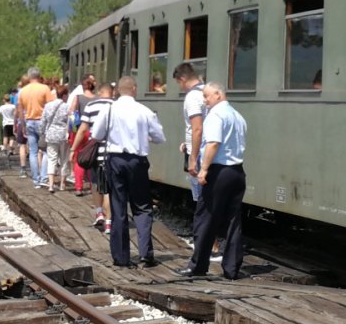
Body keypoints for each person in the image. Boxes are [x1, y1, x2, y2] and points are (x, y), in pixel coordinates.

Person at [93, 76, 164, 268]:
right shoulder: (144, 111)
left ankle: (121, 257)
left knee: (118, 207)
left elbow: (96, 134)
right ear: (134, 89)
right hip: (137, 161)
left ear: (117, 91)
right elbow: (159, 137)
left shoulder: (108, 110)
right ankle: (145, 254)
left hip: (115, 160)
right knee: (142, 206)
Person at [180, 83, 247, 280]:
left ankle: (198, 266)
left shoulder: (216, 115)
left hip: (219, 172)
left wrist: (204, 169)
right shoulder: (237, 115)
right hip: (237, 171)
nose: (205, 100)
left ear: (218, 94)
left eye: (207, 96)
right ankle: (232, 268)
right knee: (233, 220)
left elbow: (214, 143)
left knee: (205, 218)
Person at [171, 62, 208, 251]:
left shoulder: (193, 97)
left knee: (201, 201)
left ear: (182, 79)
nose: (180, 87)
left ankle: (207, 245)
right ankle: (210, 243)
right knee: (206, 200)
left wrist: (192, 156)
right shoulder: (207, 93)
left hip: (199, 155)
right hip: (205, 150)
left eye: (179, 83)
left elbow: (197, 127)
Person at [73, 82, 114, 229]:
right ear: (112, 93)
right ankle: (109, 223)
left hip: (95, 153)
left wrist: (74, 147)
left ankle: (99, 213)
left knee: (96, 183)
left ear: (100, 93)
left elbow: (83, 129)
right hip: (113, 153)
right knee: (109, 188)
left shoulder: (91, 106)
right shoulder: (116, 106)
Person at [17, 68, 52, 188]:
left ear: (29, 76)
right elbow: (50, 107)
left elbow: (20, 110)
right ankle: (44, 177)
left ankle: (36, 180)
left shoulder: (23, 91)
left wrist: (22, 125)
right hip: (42, 121)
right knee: (47, 150)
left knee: (33, 151)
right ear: (39, 76)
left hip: (29, 121)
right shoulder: (45, 89)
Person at [40, 90, 70, 193]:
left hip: (51, 135)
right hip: (63, 136)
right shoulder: (67, 106)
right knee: (64, 159)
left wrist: (42, 132)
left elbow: (43, 121)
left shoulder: (48, 106)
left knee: (51, 159)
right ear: (64, 95)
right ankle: (62, 184)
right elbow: (70, 122)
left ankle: (51, 185)